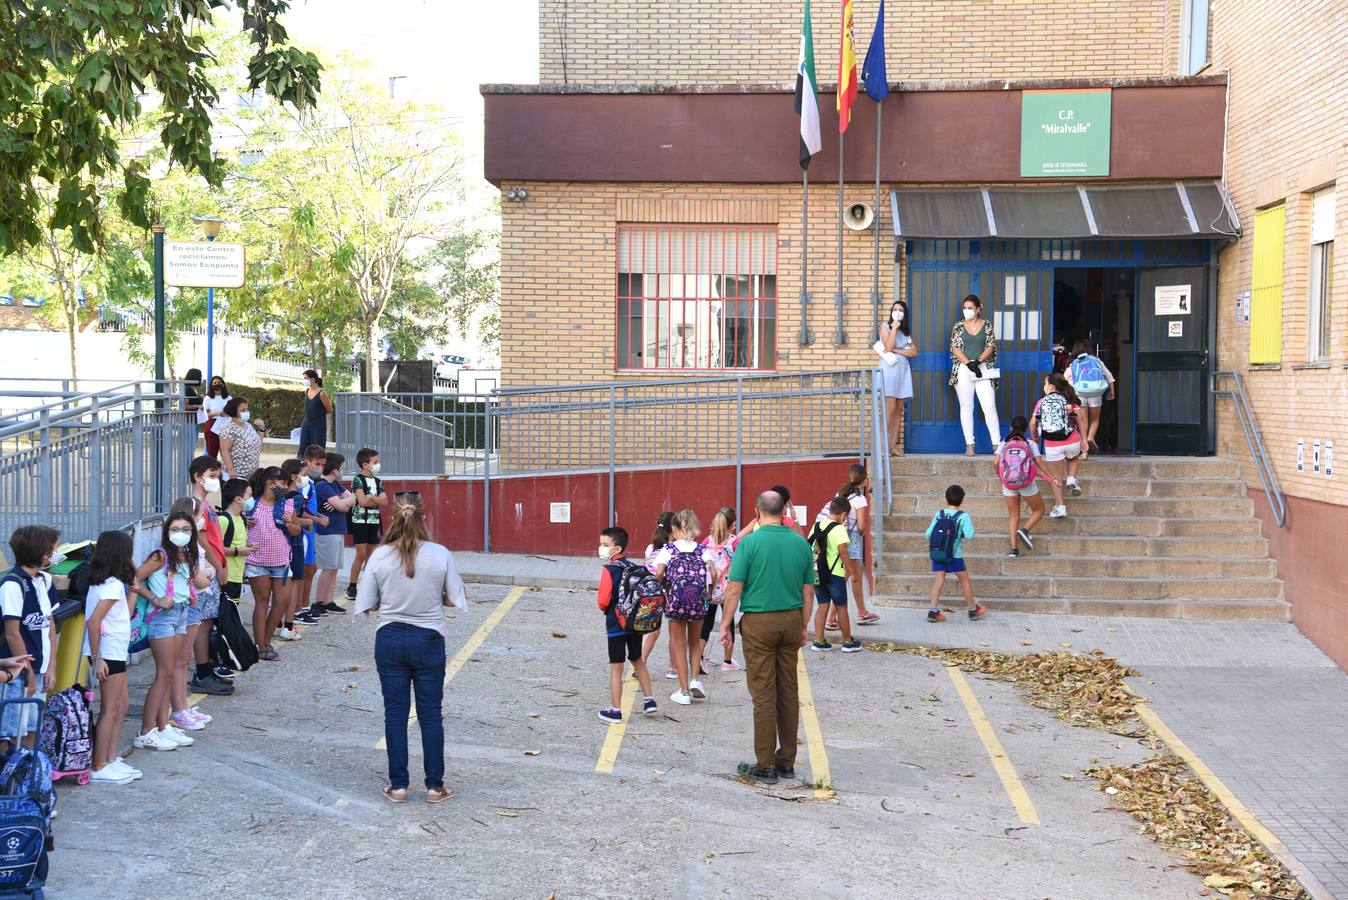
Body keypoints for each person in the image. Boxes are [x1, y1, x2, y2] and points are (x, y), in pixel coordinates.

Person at [354, 492, 466, 804]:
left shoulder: (379, 555)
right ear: (423, 517)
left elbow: (369, 602)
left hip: (389, 636)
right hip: (428, 636)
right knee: (431, 714)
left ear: (392, 518)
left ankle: (398, 784)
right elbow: (452, 598)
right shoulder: (439, 553)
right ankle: (435, 785)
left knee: (395, 713)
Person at [720, 491, 815, 785]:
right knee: (788, 691)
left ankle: (764, 765)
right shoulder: (800, 543)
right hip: (790, 619)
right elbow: (808, 591)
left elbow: (734, 590)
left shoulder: (748, 544)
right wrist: (803, 625)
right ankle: (786, 761)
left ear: (757, 511)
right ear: (784, 510)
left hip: (759, 621)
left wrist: (725, 625)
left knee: (763, 695)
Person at [132, 510, 212, 751]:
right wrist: (155, 598)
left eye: (186, 530)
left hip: (181, 612)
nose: (180, 534)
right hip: (162, 618)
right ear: (167, 532)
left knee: (172, 671)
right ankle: (146, 732)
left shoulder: (185, 555)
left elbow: (184, 581)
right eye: (175, 529)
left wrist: (190, 596)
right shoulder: (160, 555)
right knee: (164, 673)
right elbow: (133, 579)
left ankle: (162, 726)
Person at [83, 530, 142, 784]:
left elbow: (123, 616)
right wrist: (98, 659)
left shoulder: (112, 584)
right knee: (109, 709)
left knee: (121, 706)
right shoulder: (111, 585)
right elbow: (93, 622)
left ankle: (110, 758)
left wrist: (134, 592)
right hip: (107, 654)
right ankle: (99, 764)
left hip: (114, 650)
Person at [1, 525, 60, 749]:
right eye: (53, 549)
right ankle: (8, 782)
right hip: (17, 673)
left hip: (41, 670)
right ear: (43, 553)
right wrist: (28, 674)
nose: (55, 553)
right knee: (10, 734)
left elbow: (49, 624)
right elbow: (12, 633)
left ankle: (27, 780)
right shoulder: (12, 584)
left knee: (32, 731)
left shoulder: (44, 580)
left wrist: (51, 666)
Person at [651, 509, 712, 707]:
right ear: (694, 528)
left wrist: (657, 589)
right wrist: (706, 594)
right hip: (697, 602)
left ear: (674, 528)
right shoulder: (702, 550)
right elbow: (712, 571)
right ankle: (696, 679)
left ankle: (684, 690)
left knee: (678, 644)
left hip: (675, 602)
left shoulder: (668, 550)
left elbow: (659, 573)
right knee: (695, 642)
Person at [596, 527, 656, 724]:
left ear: (617, 548)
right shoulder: (635, 567)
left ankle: (615, 710)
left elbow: (603, 600)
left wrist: (606, 609)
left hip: (615, 624)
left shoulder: (609, 570)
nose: (601, 548)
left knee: (616, 667)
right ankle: (649, 700)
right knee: (637, 660)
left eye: (606, 545)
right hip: (634, 623)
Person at [244, 466, 301, 661]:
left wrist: (288, 523)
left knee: (282, 602)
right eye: (283, 483)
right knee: (262, 602)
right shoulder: (250, 504)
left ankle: (266, 641)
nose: (286, 487)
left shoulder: (286, 505)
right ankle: (262, 646)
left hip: (281, 562)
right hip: (257, 561)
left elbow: (296, 531)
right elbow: (236, 522)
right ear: (271, 483)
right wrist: (245, 522)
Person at [187, 457, 233, 694]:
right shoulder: (196, 506)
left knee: (206, 623)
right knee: (202, 625)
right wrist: (220, 566)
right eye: (212, 475)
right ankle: (203, 673)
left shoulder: (205, 504)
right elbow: (202, 539)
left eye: (218, 475)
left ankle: (207, 668)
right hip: (206, 571)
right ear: (198, 476)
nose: (216, 480)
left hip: (210, 569)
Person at [995, 416, 1059, 559]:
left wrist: (1002, 477)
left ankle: (1013, 550)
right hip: (1026, 483)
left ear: (1011, 428)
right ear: (1025, 430)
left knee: (1013, 515)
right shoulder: (1029, 443)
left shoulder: (1004, 443)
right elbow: (1040, 463)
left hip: (1008, 483)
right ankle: (1025, 530)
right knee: (1040, 510)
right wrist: (1052, 477)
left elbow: (995, 462)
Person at [1031, 373, 1090, 518]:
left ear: (1051, 386)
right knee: (1073, 459)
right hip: (1072, 440)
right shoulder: (1069, 401)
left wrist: (1035, 438)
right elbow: (1080, 419)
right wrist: (1084, 439)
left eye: (1045, 383)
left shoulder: (1041, 402)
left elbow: (1033, 423)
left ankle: (1060, 507)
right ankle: (1071, 478)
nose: (1044, 386)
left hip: (1052, 444)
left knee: (1056, 477)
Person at [924, 485, 985, 624]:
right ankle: (972, 609)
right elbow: (969, 536)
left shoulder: (939, 514)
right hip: (955, 555)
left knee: (938, 580)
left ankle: (933, 611)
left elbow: (928, 534)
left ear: (946, 499)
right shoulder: (963, 516)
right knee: (964, 581)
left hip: (939, 553)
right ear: (962, 500)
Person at [949, 293, 1001, 456]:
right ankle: (969, 444)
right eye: (964, 308)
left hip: (983, 367)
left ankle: (996, 444)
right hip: (964, 367)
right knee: (966, 407)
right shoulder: (958, 326)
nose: (966, 311)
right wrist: (969, 363)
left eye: (970, 308)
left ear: (978, 309)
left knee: (989, 406)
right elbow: (955, 348)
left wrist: (978, 362)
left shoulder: (987, 325)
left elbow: (990, 346)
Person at [808, 498, 861, 653]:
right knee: (841, 607)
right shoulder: (839, 529)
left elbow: (812, 547)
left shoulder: (816, 525)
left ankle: (818, 641)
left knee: (822, 606)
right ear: (843, 514)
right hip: (835, 574)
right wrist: (850, 571)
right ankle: (847, 641)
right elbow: (843, 551)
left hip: (818, 572)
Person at [278, 458, 320, 631]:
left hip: (288, 541)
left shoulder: (283, 495)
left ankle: (284, 620)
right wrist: (307, 523)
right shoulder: (294, 497)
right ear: (294, 476)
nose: (307, 479)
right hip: (295, 541)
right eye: (304, 475)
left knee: (288, 580)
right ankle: (291, 619)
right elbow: (293, 519)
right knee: (295, 580)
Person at [313, 453, 355, 615]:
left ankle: (328, 600)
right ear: (335, 470)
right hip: (327, 532)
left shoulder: (336, 485)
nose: (342, 470)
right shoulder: (322, 485)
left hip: (337, 529)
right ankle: (319, 602)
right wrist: (341, 503)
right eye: (341, 467)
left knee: (335, 567)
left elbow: (351, 500)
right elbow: (341, 505)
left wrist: (341, 503)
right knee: (328, 567)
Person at [697, 507, 739, 672]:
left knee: (706, 622)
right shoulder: (735, 542)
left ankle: (699, 658)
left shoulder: (707, 541)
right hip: (728, 590)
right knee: (728, 621)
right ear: (732, 525)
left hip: (709, 588)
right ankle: (727, 662)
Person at [347, 448, 387, 601]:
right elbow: (362, 502)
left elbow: (385, 501)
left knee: (372, 556)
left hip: (374, 520)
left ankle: (370, 586)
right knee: (361, 554)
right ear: (365, 465)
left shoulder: (378, 481)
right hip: (360, 520)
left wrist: (372, 497)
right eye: (375, 462)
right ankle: (352, 586)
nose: (378, 465)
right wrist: (374, 499)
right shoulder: (358, 480)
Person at [296, 445, 331, 621]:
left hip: (310, 530)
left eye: (323, 465)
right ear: (307, 461)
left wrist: (318, 515)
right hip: (303, 531)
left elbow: (309, 508)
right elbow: (299, 510)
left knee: (310, 569)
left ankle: (304, 606)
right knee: (304, 570)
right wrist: (317, 519)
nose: (320, 468)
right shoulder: (303, 484)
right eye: (317, 463)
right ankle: (299, 609)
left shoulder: (311, 483)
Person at [878, 299, 917, 455]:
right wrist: (894, 328)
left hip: (903, 372)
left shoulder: (906, 332)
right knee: (889, 409)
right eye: (895, 309)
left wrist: (897, 350)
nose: (898, 312)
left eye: (901, 310)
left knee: (899, 409)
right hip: (889, 371)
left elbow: (914, 352)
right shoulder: (885, 326)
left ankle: (892, 446)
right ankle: (882, 447)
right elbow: (887, 347)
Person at [1064, 340, 1116, 450]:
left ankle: (1084, 447)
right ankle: (1090, 437)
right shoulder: (1096, 360)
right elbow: (1109, 376)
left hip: (1080, 392)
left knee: (1083, 420)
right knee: (1095, 418)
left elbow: (1067, 379)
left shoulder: (1073, 363)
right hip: (1096, 391)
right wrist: (1112, 392)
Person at [641, 511, 674, 677]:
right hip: (668, 592)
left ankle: (642, 662)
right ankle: (672, 668)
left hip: (651, 592)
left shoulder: (650, 548)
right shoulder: (672, 549)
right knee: (675, 630)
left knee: (653, 631)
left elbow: (644, 568)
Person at [218, 479, 256, 605]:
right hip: (225, 577)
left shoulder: (242, 519)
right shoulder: (223, 519)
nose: (252, 499)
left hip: (237, 576)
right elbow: (214, 549)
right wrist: (238, 551)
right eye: (249, 496)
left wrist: (247, 547)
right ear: (238, 499)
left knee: (231, 614)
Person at [218, 396, 262, 484]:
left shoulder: (248, 425)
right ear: (234, 411)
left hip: (251, 475)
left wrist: (262, 429)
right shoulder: (229, 429)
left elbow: (258, 443)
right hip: (237, 475)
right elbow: (224, 451)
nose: (246, 412)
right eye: (243, 410)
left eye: (247, 409)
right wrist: (231, 470)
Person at [737, 485, 803, 538]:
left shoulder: (758, 521)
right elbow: (802, 541)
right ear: (785, 505)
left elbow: (738, 537)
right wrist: (795, 518)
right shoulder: (790, 522)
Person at [298, 370, 332, 454]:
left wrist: (318, 413)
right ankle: (302, 464)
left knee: (317, 448)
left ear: (312, 379)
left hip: (318, 424)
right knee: (303, 446)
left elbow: (329, 409)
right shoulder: (307, 391)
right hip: (306, 423)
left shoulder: (322, 393)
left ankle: (318, 465)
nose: (304, 380)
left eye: (305, 378)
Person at [202, 376, 231, 458]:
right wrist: (216, 413)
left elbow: (232, 412)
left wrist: (225, 413)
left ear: (222, 384)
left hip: (226, 424)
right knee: (212, 450)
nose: (217, 384)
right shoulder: (208, 398)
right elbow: (205, 414)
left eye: (219, 382)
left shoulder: (228, 398)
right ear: (211, 385)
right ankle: (213, 468)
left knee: (226, 450)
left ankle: (226, 469)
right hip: (212, 425)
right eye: (214, 383)